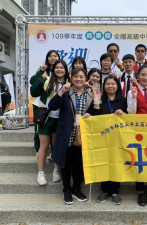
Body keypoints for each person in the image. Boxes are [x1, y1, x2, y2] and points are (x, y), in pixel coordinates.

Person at [48, 68, 92, 205]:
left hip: (82, 136)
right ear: (71, 78)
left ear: (85, 79)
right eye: (76, 77)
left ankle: (76, 189)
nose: (79, 79)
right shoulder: (65, 93)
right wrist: (60, 92)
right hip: (67, 134)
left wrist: (90, 115)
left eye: (81, 77)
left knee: (79, 164)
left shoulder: (91, 95)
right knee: (66, 165)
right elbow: (52, 106)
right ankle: (66, 189)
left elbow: (97, 112)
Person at [85, 75, 127, 205]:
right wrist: (88, 115)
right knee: (104, 162)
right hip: (103, 138)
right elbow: (92, 115)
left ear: (117, 86)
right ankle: (104, 190)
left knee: (116, 162)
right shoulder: (98, 99)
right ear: (104, 87)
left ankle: (115, 191)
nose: (110, 86)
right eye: (108, 84)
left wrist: (123, 114)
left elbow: (130, 117)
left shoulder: (123, 100)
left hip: (118, 138)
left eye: (113, 84)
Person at [30, 59, 69, 186]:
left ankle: (56, 171)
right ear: (53, 69)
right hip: (46, 117)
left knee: (57, 145)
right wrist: (41, 76)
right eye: (57, 68)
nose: (59, 70)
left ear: (65, 70)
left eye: (62, 68)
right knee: (44, 146)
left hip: (61, 118)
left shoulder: (69, 83)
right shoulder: (47, 80)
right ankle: (40, 173)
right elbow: (34, 92)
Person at [127, 64, 147, 207]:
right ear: (138, 76)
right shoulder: (131, 91)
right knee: (139, 160)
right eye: (143, 75)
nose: (145, 78)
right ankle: (140, 192)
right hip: (137, 131)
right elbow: (131, 113)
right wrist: (134, 98)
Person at [30, 50, 60, 154]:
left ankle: (53, 152)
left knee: (54, 131)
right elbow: (32, 82)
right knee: (39, 129)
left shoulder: (61, 71)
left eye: (55, 56)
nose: (53, 58)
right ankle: (38, 151)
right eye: (50, 56)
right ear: (47, 58)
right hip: (41, 105)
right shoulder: (43, 70)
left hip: (56, 106)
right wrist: (40, 71)